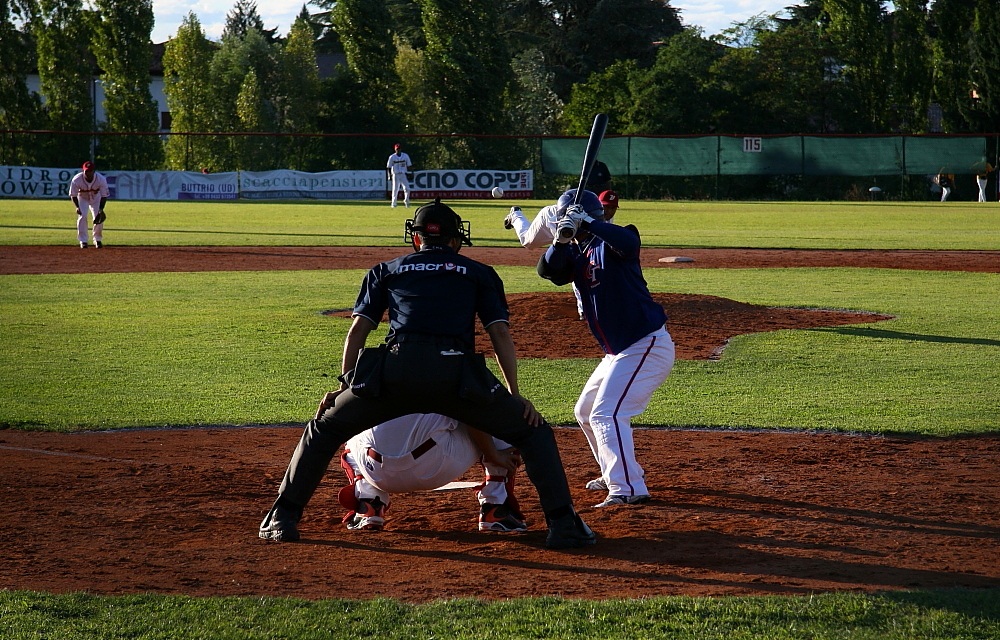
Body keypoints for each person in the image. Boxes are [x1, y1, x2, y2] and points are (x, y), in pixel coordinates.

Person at [259, 199, 596, 549]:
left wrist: (346, 387)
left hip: (394, 370)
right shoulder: (479, 273)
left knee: (324, 428)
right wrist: (513, 393)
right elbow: (499, 336)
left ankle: (282, 517)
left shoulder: (386, 269)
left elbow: (357, 332)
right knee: (534, 432)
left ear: (416, 239)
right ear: (455, 240)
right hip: (455, 374)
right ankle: (561, 524)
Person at [536, 189, 675, 508]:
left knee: (607, 413)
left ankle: (627, 488)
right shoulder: (575, 252)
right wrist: (559, 240)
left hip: (645, 343)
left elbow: (629, 242)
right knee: (585, 411)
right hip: (619, 351)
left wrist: (587, 222)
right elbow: (547, 272)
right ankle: (616, 470)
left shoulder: (614, 241)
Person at [337, 412, 526, 532]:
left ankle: (369, 502)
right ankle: (495, 507)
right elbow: (474, 411)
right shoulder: (450, 361)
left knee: (354, 434)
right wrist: (492, 454)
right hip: (435, 466)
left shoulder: (381, 364)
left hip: (376, 472)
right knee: (502, 411)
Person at [504, 189, 620, 319]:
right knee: (527, 242)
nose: (608, 211)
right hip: (552, 221)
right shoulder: (565, 217)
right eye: (605, 206)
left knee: (582, 263)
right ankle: (516, 216)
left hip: (576, 225)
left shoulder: (601, 216)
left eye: (612, 208)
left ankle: (583, 310)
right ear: (597, 204)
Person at [69, 161, 110, 248]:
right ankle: (83, 241)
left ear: (94, 171)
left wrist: (101, 209)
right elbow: (73, 195)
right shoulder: (76, 179)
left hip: (96, 198)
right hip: (82, 198)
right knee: (82, 216)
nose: (88, 173)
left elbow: (104, 196)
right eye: (86, 171)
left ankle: (97, 240)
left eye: (90, 171)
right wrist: (77, 207)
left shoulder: (101, 179)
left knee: (98, 216)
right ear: (83, 171)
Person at [386, 143, 413, 208]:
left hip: (403, 174)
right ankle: (393, 203)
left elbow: (409, 165)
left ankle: (406, 201)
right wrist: (389, 175)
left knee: (407, 188)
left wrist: (411, 173)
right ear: (395, 149)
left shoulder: (405, 156)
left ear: (401, 149)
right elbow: (389, 167)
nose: (398, 150)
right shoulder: (392, 157)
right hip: (395, 174)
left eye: (399, 149)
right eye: (397, 149)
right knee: (395, 189)